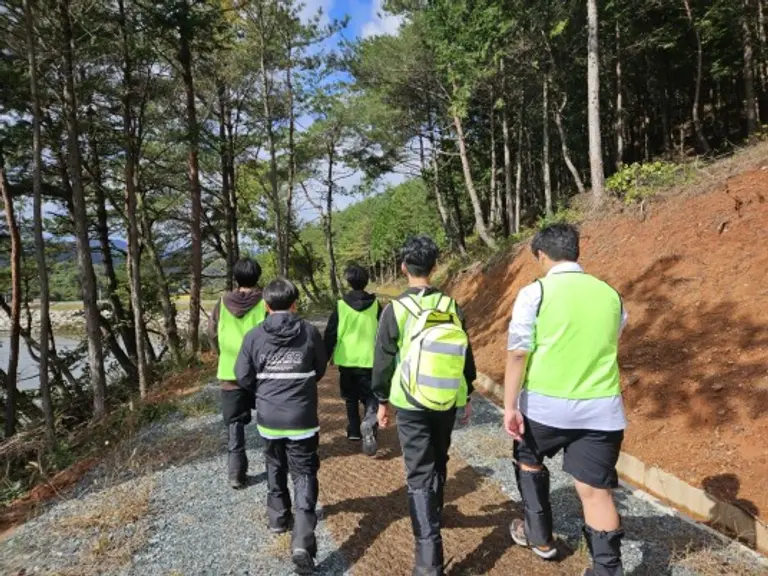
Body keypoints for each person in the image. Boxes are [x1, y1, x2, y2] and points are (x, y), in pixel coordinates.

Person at [503, 223, 628, 576]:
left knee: (528, 460)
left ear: (542, 255)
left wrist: (511, 406)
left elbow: (517, 354)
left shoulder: (535, 293)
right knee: (595, 491)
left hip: (545, 407)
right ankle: (606, 570)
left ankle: (540, 537)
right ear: (576, 252)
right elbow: (611, 340)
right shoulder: (611, 295)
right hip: (602, 410)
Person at [373, 235, 477, 576]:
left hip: (410, 400)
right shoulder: (451, 306)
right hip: (446, 397)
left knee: (419, 469)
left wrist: (382, 402)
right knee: (440, 456)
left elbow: (384, 361)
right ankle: (438, 509)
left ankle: (429, 559)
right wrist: (467, 394)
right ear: (434, 267)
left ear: (403, 267)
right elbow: (466, 356)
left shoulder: (395, 310)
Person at [235, 278, 327, 575]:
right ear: (295, 303)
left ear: (265, 305)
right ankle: (301, 541)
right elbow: (320, 368)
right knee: (304, 473)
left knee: (275, 465)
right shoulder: (309, 332)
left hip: (269, 418)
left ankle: (277, 519)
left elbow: (243, 376)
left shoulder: (254, 336)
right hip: (302, 418)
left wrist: (262, 393)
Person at [208, 257, 267, 489]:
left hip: (230, 372)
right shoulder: (265, 302)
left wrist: (220, 353)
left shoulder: (222, 303)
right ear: (258, 276)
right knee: (267, 418)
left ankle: (236, 474)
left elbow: (211, 332)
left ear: (236, 277)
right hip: (260, 373)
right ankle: (274, 465)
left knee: (235, 424)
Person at [324, 263, 381, 455]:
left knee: (350, 398)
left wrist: (324, 356)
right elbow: (383, 332)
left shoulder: (341, 306)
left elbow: (330, 333)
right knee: (370, 396)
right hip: (370, 361)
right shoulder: (375, 305)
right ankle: (370, 423)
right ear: (366, 281)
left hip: (347, 362)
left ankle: (355, 430)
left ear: (349, 281)